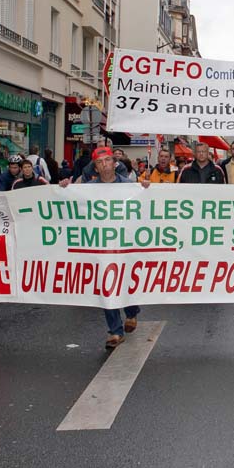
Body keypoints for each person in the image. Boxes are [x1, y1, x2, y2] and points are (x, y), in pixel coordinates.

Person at [80, 146, 150, 348]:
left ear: (114, 162)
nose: (105, 165)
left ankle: (131, 311)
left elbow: (143, 209)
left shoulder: (129, 186)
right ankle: (114, 331)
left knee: (126, 281)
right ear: (95, 167)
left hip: (125, 244)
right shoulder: (89, 189)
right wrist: (65, 188)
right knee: (107, 285)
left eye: (108, 161)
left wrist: (145, 189)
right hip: (102, 246)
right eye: (100, 163)